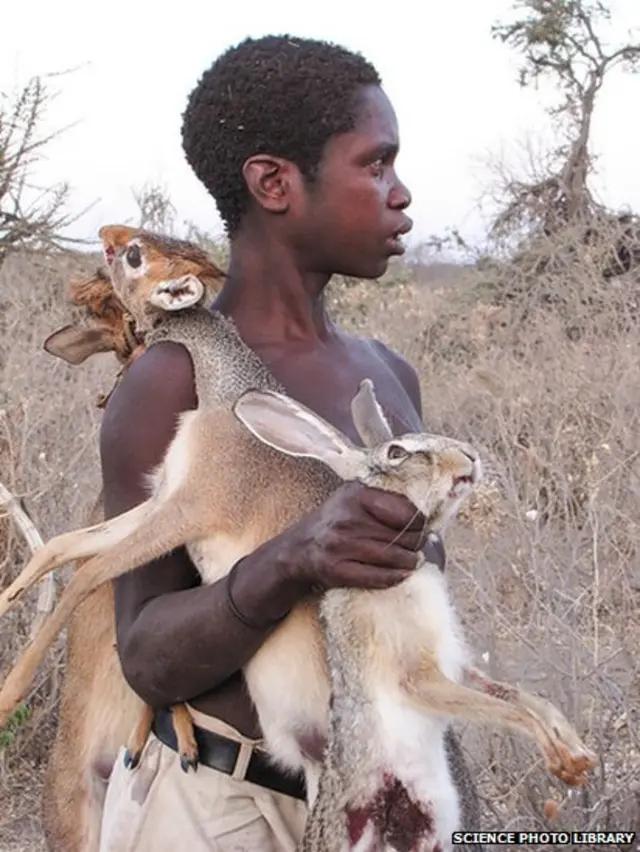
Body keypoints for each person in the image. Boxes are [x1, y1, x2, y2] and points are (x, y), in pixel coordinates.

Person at [98, 34, 476, 852]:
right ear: (275, 182)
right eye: (376, 166)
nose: (402, 193)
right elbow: (146, 657)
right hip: (220, 806)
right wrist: (290, 557)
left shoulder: (389, 376)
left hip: (376, 808)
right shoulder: (171, 382)